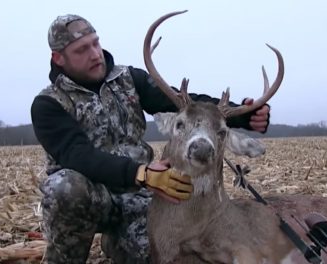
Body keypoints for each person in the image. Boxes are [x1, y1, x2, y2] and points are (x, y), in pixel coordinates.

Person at [31, 14, 271, 264]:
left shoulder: (128, 79)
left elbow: (182, 103)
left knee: (166, 255)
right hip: (91, 197)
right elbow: (77, 155)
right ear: (58, 58)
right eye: (81, 50)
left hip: (139, 198)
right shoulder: (48, 103)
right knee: (63, 187)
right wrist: (141, 173)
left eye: (95, 43)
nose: (95, 53)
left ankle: (116, 242)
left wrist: (243, 115)